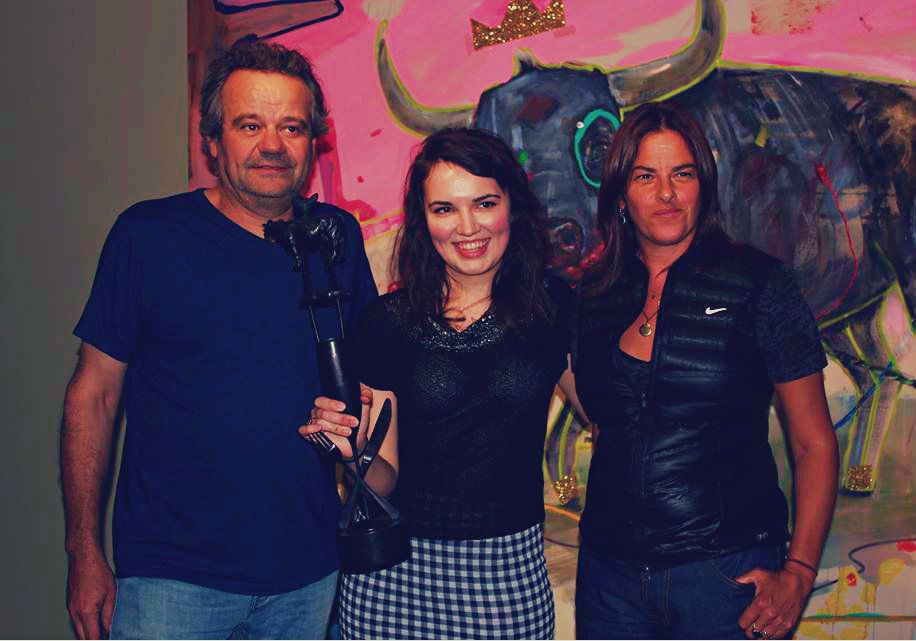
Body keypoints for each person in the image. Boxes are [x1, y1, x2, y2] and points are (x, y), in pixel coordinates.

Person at [60, 37, 377, 640]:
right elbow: (93, 394)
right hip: (171, 582)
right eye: (249, 124)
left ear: (313, 141)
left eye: (292, 126)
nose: (272, 145)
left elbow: (371, 377)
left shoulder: (336, 237)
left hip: (310, 575)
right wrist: (84, 551)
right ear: (213, 140)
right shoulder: (148, 236)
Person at [302, 127, 583, 639]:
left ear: (511, 209)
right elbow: (382, 480)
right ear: (423, 220)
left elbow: (610, 413)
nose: (468, 226)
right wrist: (353, 448)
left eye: (484, 202)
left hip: (507, 573)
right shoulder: (386, 322)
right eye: (444, 209)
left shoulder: (554, 308)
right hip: (392, 576)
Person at [573, 102, 839, 640]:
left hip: (725, 577)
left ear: (704, 185)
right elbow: (609, 423)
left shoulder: (760, 284)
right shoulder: (594, 295)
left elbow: (814, 443)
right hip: (610, 581)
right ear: (622, 193)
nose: (667, 194)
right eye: (646, 176)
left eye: (683, 174)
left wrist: (800, 574)